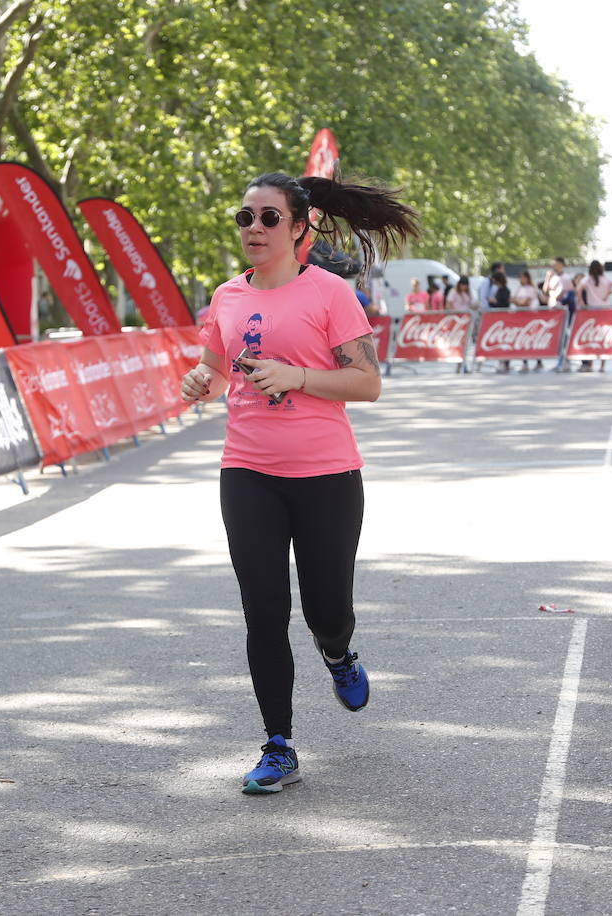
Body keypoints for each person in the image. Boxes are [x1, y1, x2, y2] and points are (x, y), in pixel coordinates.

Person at [180, 170, 419, 794]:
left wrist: (297, 377)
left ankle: (339, 654)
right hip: (247, 471)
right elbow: (214, 368)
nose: (253, 229)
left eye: (267, 218)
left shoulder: (331, 294)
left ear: (299, 226)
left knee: (326, 609)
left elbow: (367, 384)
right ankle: (278, 746)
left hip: (326, 475)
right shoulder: (227, 296)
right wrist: (198, 383)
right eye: (244, 217)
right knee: (263, 610)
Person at [577, 260, 612, 372]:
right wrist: (608, 294)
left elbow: (578, 289)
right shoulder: (605, 279)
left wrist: (582, 302)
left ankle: (591, 363)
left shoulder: (587, 279)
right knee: (604, 338)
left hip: (591, 311)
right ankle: (602, 365)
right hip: (604, 311)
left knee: (591, 337)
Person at [512, 270, 543, 372]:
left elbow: (525, 302)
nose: (522, 279)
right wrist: (518, 302)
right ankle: (525, 362)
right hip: (521, 317)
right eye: (520, 277)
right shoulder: (519, 288)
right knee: (522, 340)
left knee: (533, 339)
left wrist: (519, 302)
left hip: (530, 318)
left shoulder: (531, 289)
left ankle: (539, 361)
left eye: (523, 277)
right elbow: (512, 299)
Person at [487, 267, 512, 373]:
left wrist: (494, 302)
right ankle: (502, 361)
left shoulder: (505, 290)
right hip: (499, 319)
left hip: (504, 318)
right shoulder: (499, 290)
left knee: (505, 341)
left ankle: (505, 362)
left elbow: (504, 304)